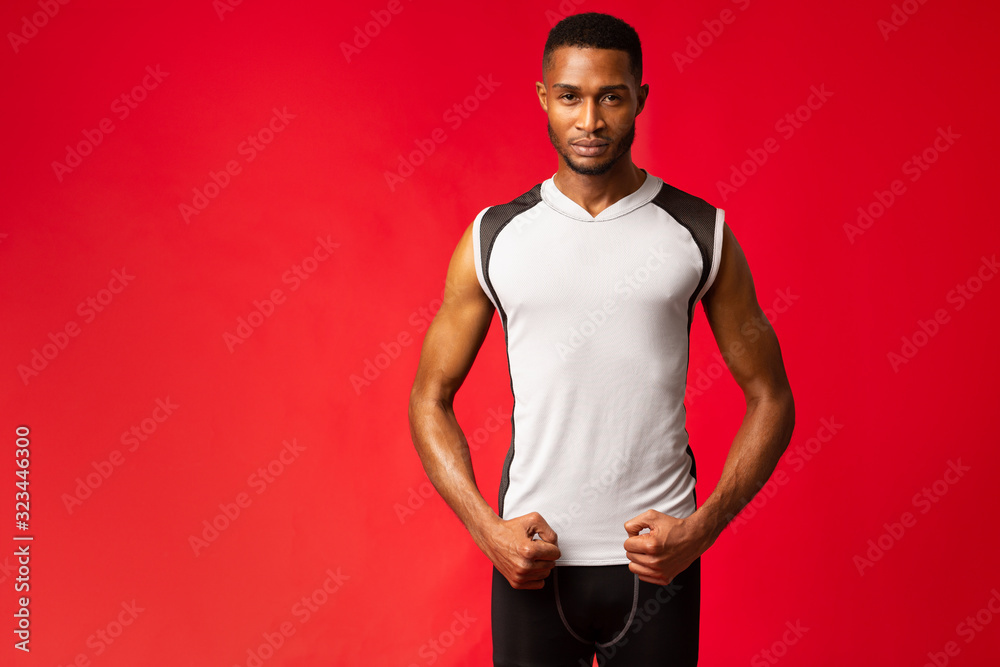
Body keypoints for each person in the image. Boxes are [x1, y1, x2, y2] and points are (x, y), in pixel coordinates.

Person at [408, 12, 795, 666]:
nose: (590, 119)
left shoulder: (699, 231)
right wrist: (487, 530)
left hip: (657, 568)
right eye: (571, 97)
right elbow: (429, 396)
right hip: (533, 562)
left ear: (640, 98)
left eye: (611, 96)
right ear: (543, 97)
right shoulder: (495, 237)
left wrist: (699, 532)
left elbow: (773, 398)